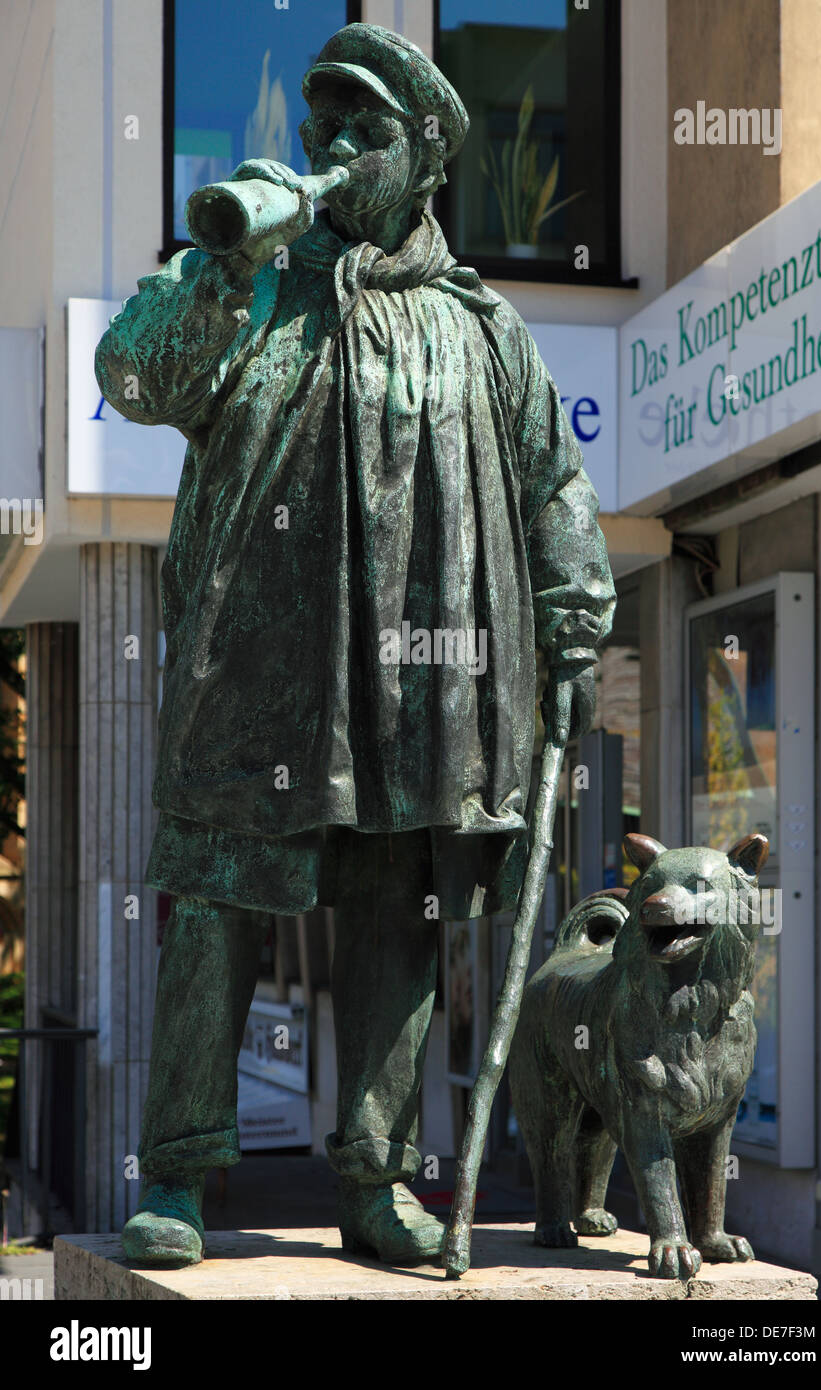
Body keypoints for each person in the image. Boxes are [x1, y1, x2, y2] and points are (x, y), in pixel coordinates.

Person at [95, 21, 616, 1268]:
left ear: (422, 157)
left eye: (360, 127)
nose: (327, 143)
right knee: (219, 901)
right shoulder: (252, 284)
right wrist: (217, 266)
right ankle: (177, 1172)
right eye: (317, 120)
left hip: (418, 686)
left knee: (399, 915)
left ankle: (378, 1179)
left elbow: (553, 482)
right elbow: (130, 374)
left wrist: (574, 615)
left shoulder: (482, 328)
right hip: (253, 675)